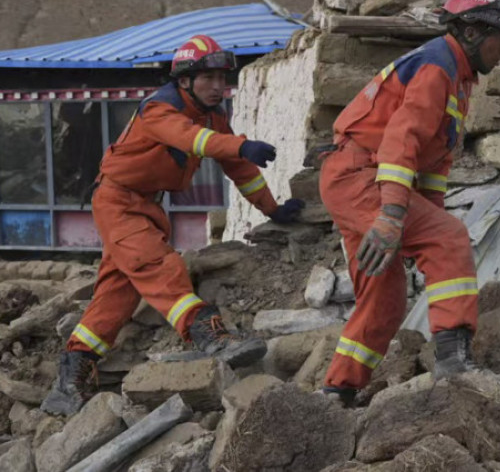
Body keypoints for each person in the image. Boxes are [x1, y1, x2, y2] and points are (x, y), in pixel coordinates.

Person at [41, 34, 304, 416]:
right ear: (184, 80)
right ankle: (208, 336)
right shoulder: (160, 110)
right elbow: (194, 140)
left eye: (222, 78)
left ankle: (70, 380)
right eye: (208, 78)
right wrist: (239, 144)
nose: (218, 86)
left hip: (146, 206)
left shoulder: (212, 117)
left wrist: (272, 209)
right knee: (159, 266)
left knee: (117, 293)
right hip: (118, 202)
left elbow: (240, 170)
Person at [318, 0, 500, 405]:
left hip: (359, 177)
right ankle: (453, 365)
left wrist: (421, 219)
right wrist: (395, 217)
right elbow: (401, 142)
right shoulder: (438, 67)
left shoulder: (458, 76)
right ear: (472, 31)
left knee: (386, 300)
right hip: (362, 176)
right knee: (449, 236)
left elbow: (433, 162)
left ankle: (336, 392)